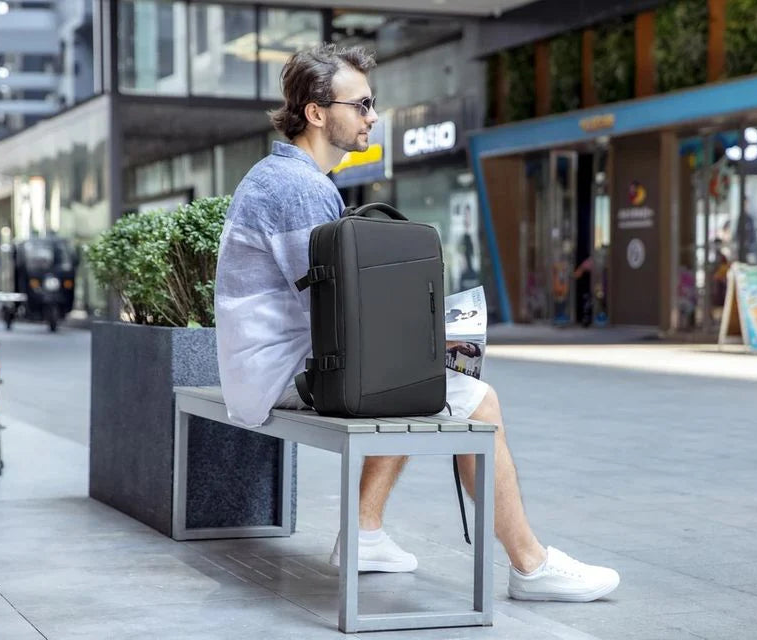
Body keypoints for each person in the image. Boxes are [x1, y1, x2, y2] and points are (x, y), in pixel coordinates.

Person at [215, 44, 620, 603]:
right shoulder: (300, 188)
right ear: (316, 112)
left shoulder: (282, 176)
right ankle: (530, 566)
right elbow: (335, 314)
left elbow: (333, 305)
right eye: (360, 105)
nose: (373, 116)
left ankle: (365, 532)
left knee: (414, 376)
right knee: (477, 401)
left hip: (264, 365)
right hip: (278, 373)